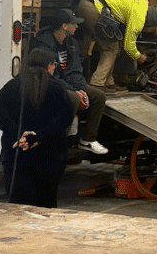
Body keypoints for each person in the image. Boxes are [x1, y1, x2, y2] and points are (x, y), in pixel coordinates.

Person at [0, 48, 74, 208]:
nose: (54, 67)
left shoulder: (12, 86)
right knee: (46, 205)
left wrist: (19, 135)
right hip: (50, 155)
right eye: (53, 64)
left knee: (19, 208)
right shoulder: (56, 88)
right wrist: (38, 137)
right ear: (48, 65)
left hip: (17, 154)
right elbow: (66, 117)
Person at [31, 8, 108, 155]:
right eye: (74, 24)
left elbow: (75, 70)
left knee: (99, 96)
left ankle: (88, 140)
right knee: (72, 98)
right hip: (46, 85)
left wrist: (81, 89)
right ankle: (58, 143)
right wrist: (74, 92)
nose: (77, 27)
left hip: (66, 84)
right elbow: (50, 77)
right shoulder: (44, 44)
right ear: (65, 26)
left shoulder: (71, 42)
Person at [77, 0, 157, 92]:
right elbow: (128, 47)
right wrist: (139, 57)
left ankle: (109, 82)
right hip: (94, 9)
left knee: (112, 45)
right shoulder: (139, 17)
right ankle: (97, 84)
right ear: (150, 22)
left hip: (88, 0)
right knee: (111, 49)